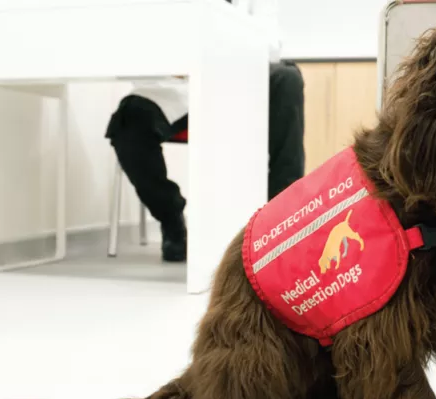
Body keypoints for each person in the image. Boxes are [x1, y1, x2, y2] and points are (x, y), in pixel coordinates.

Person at [105, 0, 304, 262]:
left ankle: (278, 225)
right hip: (172, 88)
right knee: (129, 121)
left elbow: (271, 44)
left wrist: (214, 49)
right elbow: (137, 46)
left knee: (286, 78)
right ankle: (171, 217)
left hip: (234, 82)